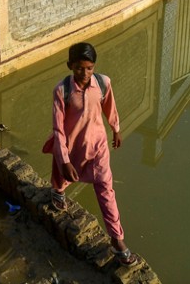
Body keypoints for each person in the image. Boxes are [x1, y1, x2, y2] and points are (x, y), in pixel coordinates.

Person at [42, 42, 140, 266]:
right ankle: (57, 191)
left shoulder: (103, 83)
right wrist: (65, 160)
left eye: (89, 68)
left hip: (98, 147)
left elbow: (109, 107)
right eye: (78, 68)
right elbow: (58, 130)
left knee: (106, 189)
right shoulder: (62, 90)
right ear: (70, 66)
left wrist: (116, 128)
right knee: (62, 174)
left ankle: (117, 240)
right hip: (72, 145)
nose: (84, 74)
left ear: (94, 66)